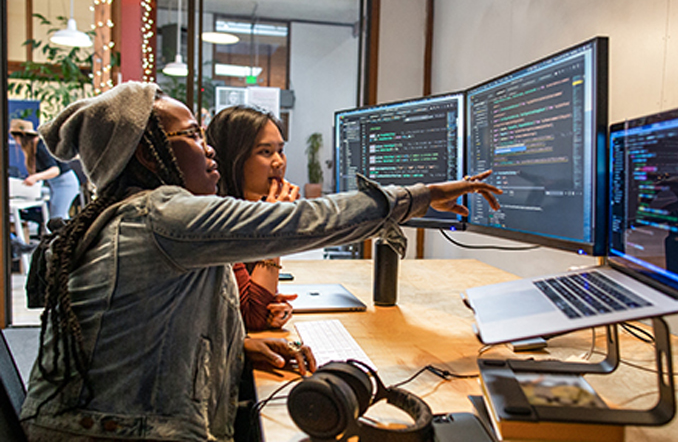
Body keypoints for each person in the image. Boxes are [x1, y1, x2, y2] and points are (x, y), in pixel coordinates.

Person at [20, 82, 501, 441]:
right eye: (192, 135)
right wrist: (420, 196)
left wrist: (234, 347)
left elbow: (146, 331)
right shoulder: (162, 216)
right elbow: (310, 220)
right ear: (149, 155)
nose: (208, 147)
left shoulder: (133, 216)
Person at [206, 105, 299, 331]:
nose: (279, 162)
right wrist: (275, 225)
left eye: (280, 150)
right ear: (234, 159)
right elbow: (252, 316)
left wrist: (271, 305)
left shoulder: (248, 215)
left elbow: (249, 306)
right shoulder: (219, 219)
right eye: (265, 152)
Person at [9, 119, 80, 221]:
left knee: (57, 217)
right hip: (56, 185)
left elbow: (55, 170)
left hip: (65, 184)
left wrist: (35, 177)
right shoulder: (34, 148)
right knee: (59, 216)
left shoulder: (41, 146)